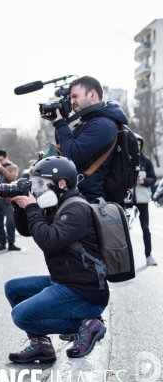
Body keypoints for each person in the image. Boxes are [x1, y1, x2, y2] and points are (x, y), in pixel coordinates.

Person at [5, 156, 108, 363]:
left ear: (62, 183)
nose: (37, 188)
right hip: (64, 281)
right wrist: (20, 207)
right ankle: (41, 346)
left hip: (85, 292)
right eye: (35, 183)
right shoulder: (56, 204)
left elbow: (49, 241)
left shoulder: (76, 209)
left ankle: (86, 325)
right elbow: (27, 230)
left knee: (22, 316)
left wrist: (32, 208)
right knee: (13, 288)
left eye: (41, 183)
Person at [51, 76, 129, 204]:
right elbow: (63, 148)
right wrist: (61, 121)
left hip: (90, 200)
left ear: (92, 95)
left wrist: (60, 124)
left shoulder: (103, 124)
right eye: (70, 98)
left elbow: (74, 154)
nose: (71, 102)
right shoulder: (88, 122)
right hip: (78, 196)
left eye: (75, 96)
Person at [133, 134, 157, 266]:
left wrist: (143, 181)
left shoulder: (146, 161)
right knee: (123, 231)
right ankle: (124, 260)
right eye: (135, 144)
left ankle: (149, 256)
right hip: (127, 201)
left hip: (142, 200)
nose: (137, 146)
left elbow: (153, 179)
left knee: (145, 229)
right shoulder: (124, 159)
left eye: (139, 144)